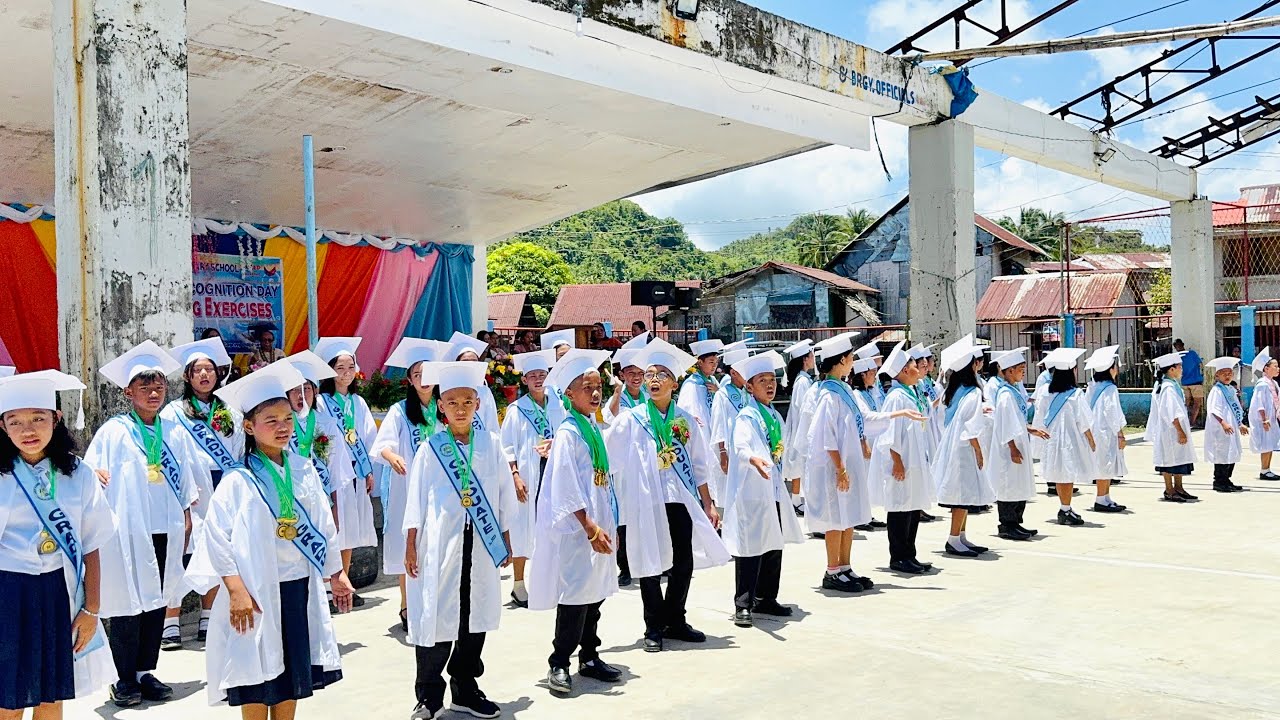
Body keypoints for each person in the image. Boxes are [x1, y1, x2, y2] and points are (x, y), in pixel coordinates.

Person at [185, 361, 353, 713]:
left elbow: (324, 525)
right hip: (255, 591)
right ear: (249, 426)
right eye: (271, 420)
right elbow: (216, 539)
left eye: (288, 419)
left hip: (298, 587)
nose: (282, 427)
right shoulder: (237, 479)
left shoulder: (303, 469)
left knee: (292, 676)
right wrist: (235, 590)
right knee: (256, 678)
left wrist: (337, 573)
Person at [85, 341, 198, 707]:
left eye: (159, 385)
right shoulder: (113, 431)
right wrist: (93, 475)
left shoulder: (174, 431)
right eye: (145, 386)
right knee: (127, 603)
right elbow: (90, 474)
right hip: (128, 531)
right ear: (128, 392)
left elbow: (186, 480)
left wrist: (186, 517)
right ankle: (122, 678)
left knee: (157, 601)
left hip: (166, 527)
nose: (153, 392)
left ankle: (145, 671)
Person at [403, 362, 516, 720]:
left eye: (468, 401)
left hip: (481, 542)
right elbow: (416, 498)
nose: (461, 409)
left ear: (478, 404)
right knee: (437, 615)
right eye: (452, 402)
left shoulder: (491, 445)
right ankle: (429, 696)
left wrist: (505, 538)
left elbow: (504, 495)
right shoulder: (431, 448)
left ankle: (465, 690)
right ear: (441, 406)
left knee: (473, 616)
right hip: (441, 543)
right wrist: (410, 544)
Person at [0, 371, 116, 715]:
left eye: (38, 418)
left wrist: (91, 609)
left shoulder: (78, 474)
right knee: (8, 698)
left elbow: (91, 545)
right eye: (15, 422)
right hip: (8, 592)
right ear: (2, 427)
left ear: (57, 418)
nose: (28, 430)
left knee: (52, 695)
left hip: (58, 592)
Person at [604, 340, 727, 651]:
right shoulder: (633, 419)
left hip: (680, 500)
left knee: (683, 563)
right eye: (649, 375)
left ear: (674, 383)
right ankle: (653, 626)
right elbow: (606, 451)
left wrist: (709, 503)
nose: (654, 380)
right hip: (648, 501)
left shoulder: (684, 420)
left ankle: (675, 619)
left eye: (661, 374)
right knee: (650, 562)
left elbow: (699, 465)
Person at [528, 349, 623, 696]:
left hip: (598, 523)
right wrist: (590, 527)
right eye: (587, 388)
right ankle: (559, 661)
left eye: (598, 387)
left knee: (594, 593)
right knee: (576, 595)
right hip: (579, 529)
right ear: (569, 393)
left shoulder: (590, 427)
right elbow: (566, 485)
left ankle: (590, 655)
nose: (596, 393)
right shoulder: (569, 432)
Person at [159, 337, 245, 651]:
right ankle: (171, 620)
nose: (205, 375)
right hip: (189, 491)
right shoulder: (172, 413)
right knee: (180, 553)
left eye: (210, 369)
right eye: (198, 370)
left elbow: (238, 450)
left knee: (218, 549)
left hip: (222, 487)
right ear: (187, 376)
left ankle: (208, 617)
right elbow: (167, 452)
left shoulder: (230, 411)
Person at [372, 338, 449, 632]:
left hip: (441, 487)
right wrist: (392, 457)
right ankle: (406, 604)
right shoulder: (400, 411)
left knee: (438, 543)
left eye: (428, 374)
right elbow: (383, 444)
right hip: (407, 487)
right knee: (408, 545)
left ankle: (434, 601)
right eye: (417, 374)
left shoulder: (445, 407)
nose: (423, 380)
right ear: (410, 380)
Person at [723, 351, 805, 627]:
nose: (770, 385)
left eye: (772, 380)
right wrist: (753, 459)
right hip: (752, 491)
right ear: (749, 386)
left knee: (773, 544)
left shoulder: (773, 415)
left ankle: (767, 597)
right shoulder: (747, 416)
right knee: (750, 546)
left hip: (773, 488)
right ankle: (743, 603)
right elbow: (740, 445)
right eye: (762, 381)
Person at [798, 334, 875, 592]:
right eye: (851, 357)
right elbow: (826, 436)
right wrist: (840, 468)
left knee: (847, 515)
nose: (853, 362)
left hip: (846, 464)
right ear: (842, 360)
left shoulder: (844, 390)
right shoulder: (828, 396)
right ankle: (832, 571)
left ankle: (845, 566)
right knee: (835, 518)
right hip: (835, 467)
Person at [315, 337, 377, 608]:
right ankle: (327, 588)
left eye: (350, 367)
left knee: (350, 530)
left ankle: (345, 582)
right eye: (340, 368)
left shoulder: (358, 402)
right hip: (332, 474)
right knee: (333, 530)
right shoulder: (320, 402)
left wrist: (369, 471)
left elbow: (369, 437)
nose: (346, 373)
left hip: (356, 472)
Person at [499, 349, 564, 608]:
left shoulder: (558, 405)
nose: (538, 379)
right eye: (533, 375)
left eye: (542, 374)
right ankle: (518, 585)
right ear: (524, 380)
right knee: (523, 529)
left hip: (553, 472)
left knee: (553, 526)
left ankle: (550, 581)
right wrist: (515, 476)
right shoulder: (517, 410)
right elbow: (507, 447)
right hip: (527, 475)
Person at [868, 342, 935, 574]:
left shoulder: (910, 392)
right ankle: (898, 556)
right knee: (899, 509)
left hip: (913, 460)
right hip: (902, 462)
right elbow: (891, 432)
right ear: (905, 370)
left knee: (913, 507)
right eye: (916, 365)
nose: (920, 368)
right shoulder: (896, 397)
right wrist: (896, 460)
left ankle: (910, 554)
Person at [930, 339, 994, 558]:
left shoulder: (953, 390)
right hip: (965, 448)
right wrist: (978, 450)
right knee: (961, 494)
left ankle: (961, 537)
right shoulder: (973, 392)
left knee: (964, 494)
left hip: (953, 444)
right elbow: (971, 425)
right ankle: (954, 538)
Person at [1030, 348, 1096, 526]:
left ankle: (1065, 507)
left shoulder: (1045, 391)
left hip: (1051, 439)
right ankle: (1065, 509)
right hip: (1069, 440)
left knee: (1060, 474)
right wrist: (1091, 440)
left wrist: (1038, 439)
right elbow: (1084, 421)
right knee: (1066, 474)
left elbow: (1039, 415)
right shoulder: (1076, 394)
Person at [987, 348, 1043, 540]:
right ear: (1009, 371)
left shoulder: (1013, 391)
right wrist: (1012, 448)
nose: (1023, 372)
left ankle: (1016, 522)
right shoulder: (1005, 395)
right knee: (1009, 485)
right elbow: (1005, 423)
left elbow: (1016, 419)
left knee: (1019, 483)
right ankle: (1007, 525)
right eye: (1020, 369)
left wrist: (1030, 429)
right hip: (1009, 447)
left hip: (1018, 442)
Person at [1149, 352, 1199, 503]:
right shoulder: (1167, 388)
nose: (1182, 370)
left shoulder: (1172, 385)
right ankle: (1169, 490)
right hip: (1171, 430)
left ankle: (1179, 487)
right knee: (1169, 460)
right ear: (1171, 369)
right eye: (1179, 367)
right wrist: (1180, 431)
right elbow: (1171, 412)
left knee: (1179, 459)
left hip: (1173, 429)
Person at [1084, 346, 1129, 514]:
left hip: (1095, 430)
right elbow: (1112, 412)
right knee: (1105, 464)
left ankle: (1106, 497)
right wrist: (1120, 434)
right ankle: (1101, 499)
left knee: (1103, 464)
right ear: (1110, 369)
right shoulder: (1110, 388)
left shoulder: (1092, 386)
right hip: (1106, 432)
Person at [709, 343, 752, 509]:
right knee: (731, 494)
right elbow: (719, 425)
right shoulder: (722, 395)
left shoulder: (748, 393)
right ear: (733, 373)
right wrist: (722, 453)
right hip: (730, 450)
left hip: (747, 448)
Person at [781, 339, 816, 518]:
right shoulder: (803, 381)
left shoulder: (803, 379)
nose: (814, 359)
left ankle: (797, 500)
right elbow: (804, 408)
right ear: (805, 359)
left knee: (799, 465)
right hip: (802, 428)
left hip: (800, 427)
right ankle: (796, 500)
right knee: (799, 464)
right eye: (811, 356)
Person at [1204, 357, 1248, 493]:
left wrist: (1240, 423)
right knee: (1222, 454)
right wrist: (1223, 423)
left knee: (1232, 453)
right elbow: (1214, 409)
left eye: (1229, 373)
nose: (1227, 376)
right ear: (1217, 375)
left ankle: (1227, 480)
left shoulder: (1230, 389)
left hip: (1232, 427)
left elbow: (1236, 408)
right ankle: (1219, 481)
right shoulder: (1217, 390)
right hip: (1221, 428)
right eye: (1224, 373)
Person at [445, 333, 501, 433]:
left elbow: (492, 425)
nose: (470, 365)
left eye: (474, 361)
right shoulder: (447, 390)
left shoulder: (484, 391)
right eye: (466, 361)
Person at [1248, 347, 1280, 480]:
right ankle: (1264, 470)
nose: (1278, 369)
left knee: (1270, 443)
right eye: (1275, 366)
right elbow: (1259, 403)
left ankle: (1267, 469)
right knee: (1266, 444)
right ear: (1266, 368)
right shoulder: (1262, 384)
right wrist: (1264, 419)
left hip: (1272, 418)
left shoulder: (1273, 383)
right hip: (1265, 419)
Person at [604, 334, 650, 423]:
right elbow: (610, 418)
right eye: (631, 373)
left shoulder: (648, 396)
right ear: (622, 375)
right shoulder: (619, 398)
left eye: (641, 373)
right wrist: (618, 389)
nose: (636, 377)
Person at [1174, 339, 1205, 429]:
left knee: (1185, 404)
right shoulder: (1192, 353)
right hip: (1196, 382)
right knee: (1197, 404)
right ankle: (1192, 422)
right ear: (1183, 344)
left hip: (1184, 382)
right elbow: (1200, 364)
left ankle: (1184, 422)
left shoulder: (1177, 357)